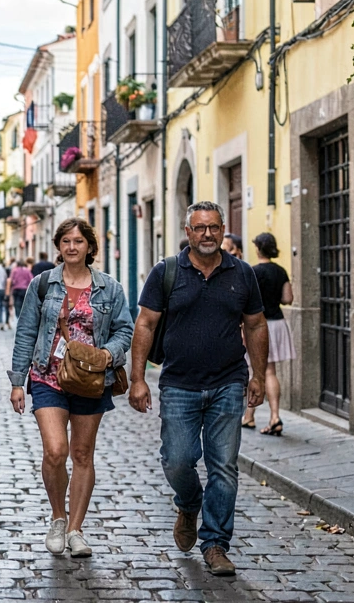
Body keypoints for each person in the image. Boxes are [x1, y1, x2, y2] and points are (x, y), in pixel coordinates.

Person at [128, 200, 268, 577]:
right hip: (178, 383)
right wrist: (138, 378)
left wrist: (258, 375)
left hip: (228, 382)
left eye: (215, 228)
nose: (208, 234)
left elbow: (255, 325)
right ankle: (189, 503)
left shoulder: (243, 273)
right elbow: (145, 325)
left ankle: (216, 544)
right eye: (200, 228)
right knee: (177, 459)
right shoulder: (167, 272)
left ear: (223, 231)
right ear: (187, 232)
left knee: (223, 467)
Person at [10, 219, 133, 558]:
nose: (72, 247)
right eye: (66, 241)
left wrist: (110, 353)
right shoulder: (43, 285)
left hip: (91, 380)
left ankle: (76, 529)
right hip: (47, 375)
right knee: (55, 450)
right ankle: (57, 517)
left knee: (81, 454)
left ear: (90, 247)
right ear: (59, 246)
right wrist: (18, 382)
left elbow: (125, 330)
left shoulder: (110, 288)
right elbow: (25, 333)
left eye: (79, 241)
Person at [242, 233, 295, 435]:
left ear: (258, 249)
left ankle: (251, 416)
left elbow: (245, 301)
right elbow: (288, 298)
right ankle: (271, 416)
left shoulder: (252, 272)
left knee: (255, 371)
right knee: (270, 372)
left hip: (257, 325)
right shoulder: (280, 271)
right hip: (277, 322)